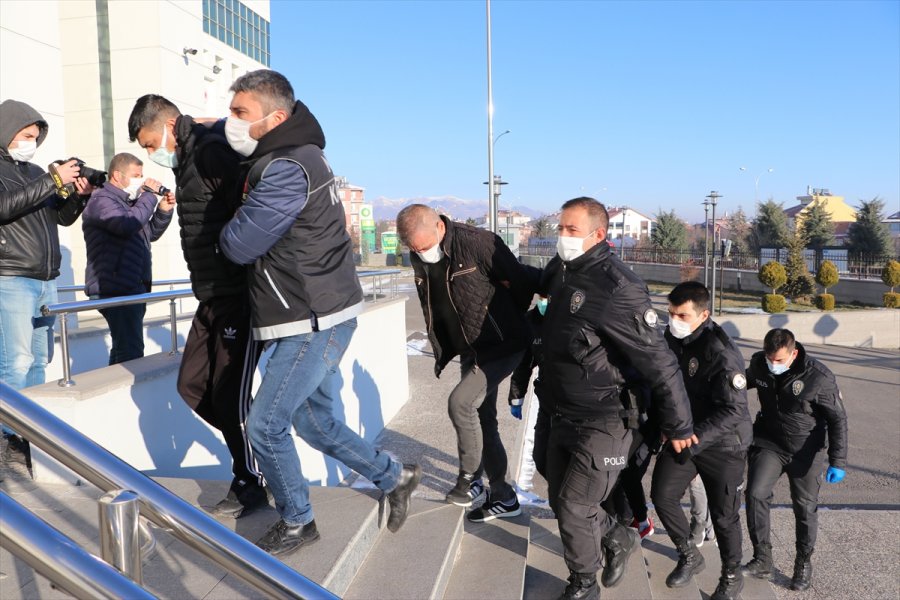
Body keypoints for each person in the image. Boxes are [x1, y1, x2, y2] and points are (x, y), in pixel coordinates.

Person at [217, 69, 420, 556]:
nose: (232, 123)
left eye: (241, 113)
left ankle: (297, 522)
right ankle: (394, 476)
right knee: (314, 422)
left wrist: (225, 223)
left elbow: (239, 244)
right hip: (311, 312)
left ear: (276, 117)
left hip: (310, 320)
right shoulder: (297, 156)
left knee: (265, 423)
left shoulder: (286, 167)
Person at [539, 197, 695, 600]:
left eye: (572, 230)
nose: (563, 237)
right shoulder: (564, 269)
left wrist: (678, 423)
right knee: (560, 498)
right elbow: (535, 289)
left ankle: (583, 584)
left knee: (574, 504)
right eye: (561, 228)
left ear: (598, 234)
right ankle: (616, 536)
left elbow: (660, 362)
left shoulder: (618, 287)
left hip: (605, 417)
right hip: (561, 410)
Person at [128, 94, 266, 517]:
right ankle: (257, 442)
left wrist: (236, 262)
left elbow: (251, 211)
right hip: (209, 294)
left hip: (238, 295)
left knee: (230, 398)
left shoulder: (210, 152)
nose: (151, 154)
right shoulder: (189, 160)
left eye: (151, 144)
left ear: (168, 124)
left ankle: (252, 478)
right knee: (190, 385)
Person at [397, 203, 539, 523]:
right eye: (414, 249)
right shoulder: (419, 253)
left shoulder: (477, 242)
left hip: (505, 343)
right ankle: (503, 496)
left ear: (439, 227)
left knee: (460, 403)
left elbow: (520, 282)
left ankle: (470, 480)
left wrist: (506, 319)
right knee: (482, 417)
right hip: (472, 348)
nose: (421, 253)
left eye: (425, 245)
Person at [0, 99, 94, 469]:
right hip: (11, 278)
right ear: (7, 131)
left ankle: (30, 434)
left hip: (44, 279)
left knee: (39, 362)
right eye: (26, 135)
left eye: (36, 137)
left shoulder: (35, 170)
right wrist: (52, 180)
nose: (31, 143)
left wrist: (76, 196)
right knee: (15, 362)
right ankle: (10, 438)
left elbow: (61, 217)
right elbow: (5, 208)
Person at [651, 281, 751, 600]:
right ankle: (689, 554)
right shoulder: (672, 337)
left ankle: (731, 576)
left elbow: (734, 410)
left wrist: (692, 438)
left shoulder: (721, 352)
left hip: (723, 444)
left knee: (724, 517)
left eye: (682, 315)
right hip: (685, 436)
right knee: (662, 494)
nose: (674, 321)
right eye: (670, 314)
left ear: (703, 314)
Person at [743, 328, 848, 591]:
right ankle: (762, 558)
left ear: (794, 353)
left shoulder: (818, 376)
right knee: (755, 495)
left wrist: (838, 461)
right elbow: (740, 382)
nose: (773, 365)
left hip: (806, 450)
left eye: (779, 360)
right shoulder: (760, 364)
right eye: (770, 359)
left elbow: (838, 418)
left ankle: (803, 563)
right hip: (770, 443)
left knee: (804, 507)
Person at [82, 152, 174, 364]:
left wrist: (162, 211)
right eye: (136, 175)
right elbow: (127, 225)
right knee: (130, 351)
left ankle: (112, 395)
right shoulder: (102, 200)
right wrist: (149, 196)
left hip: (131, 286)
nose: (140, 180)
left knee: (124, 348)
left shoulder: (126, 203)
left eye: (142, 175)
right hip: (115, 288)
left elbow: (146, 234)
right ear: (117, 175)